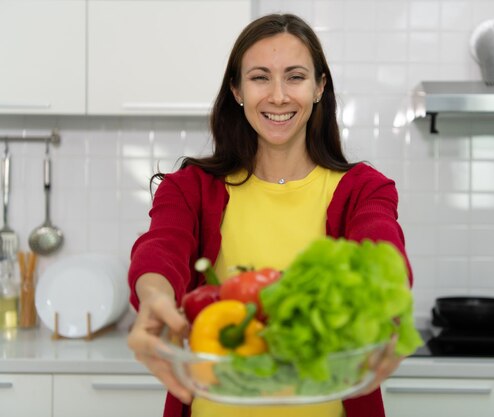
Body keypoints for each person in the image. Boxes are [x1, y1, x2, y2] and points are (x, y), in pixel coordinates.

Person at [127, 13, 413, 417]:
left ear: (319, 88)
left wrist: (389, 302)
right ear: (237, 90)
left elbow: (382, 246)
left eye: (295, 77)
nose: (278, 96)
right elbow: (162, 247)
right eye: (260, 77)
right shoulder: (190, 189)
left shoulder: (363, 189)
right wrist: (154, 296)